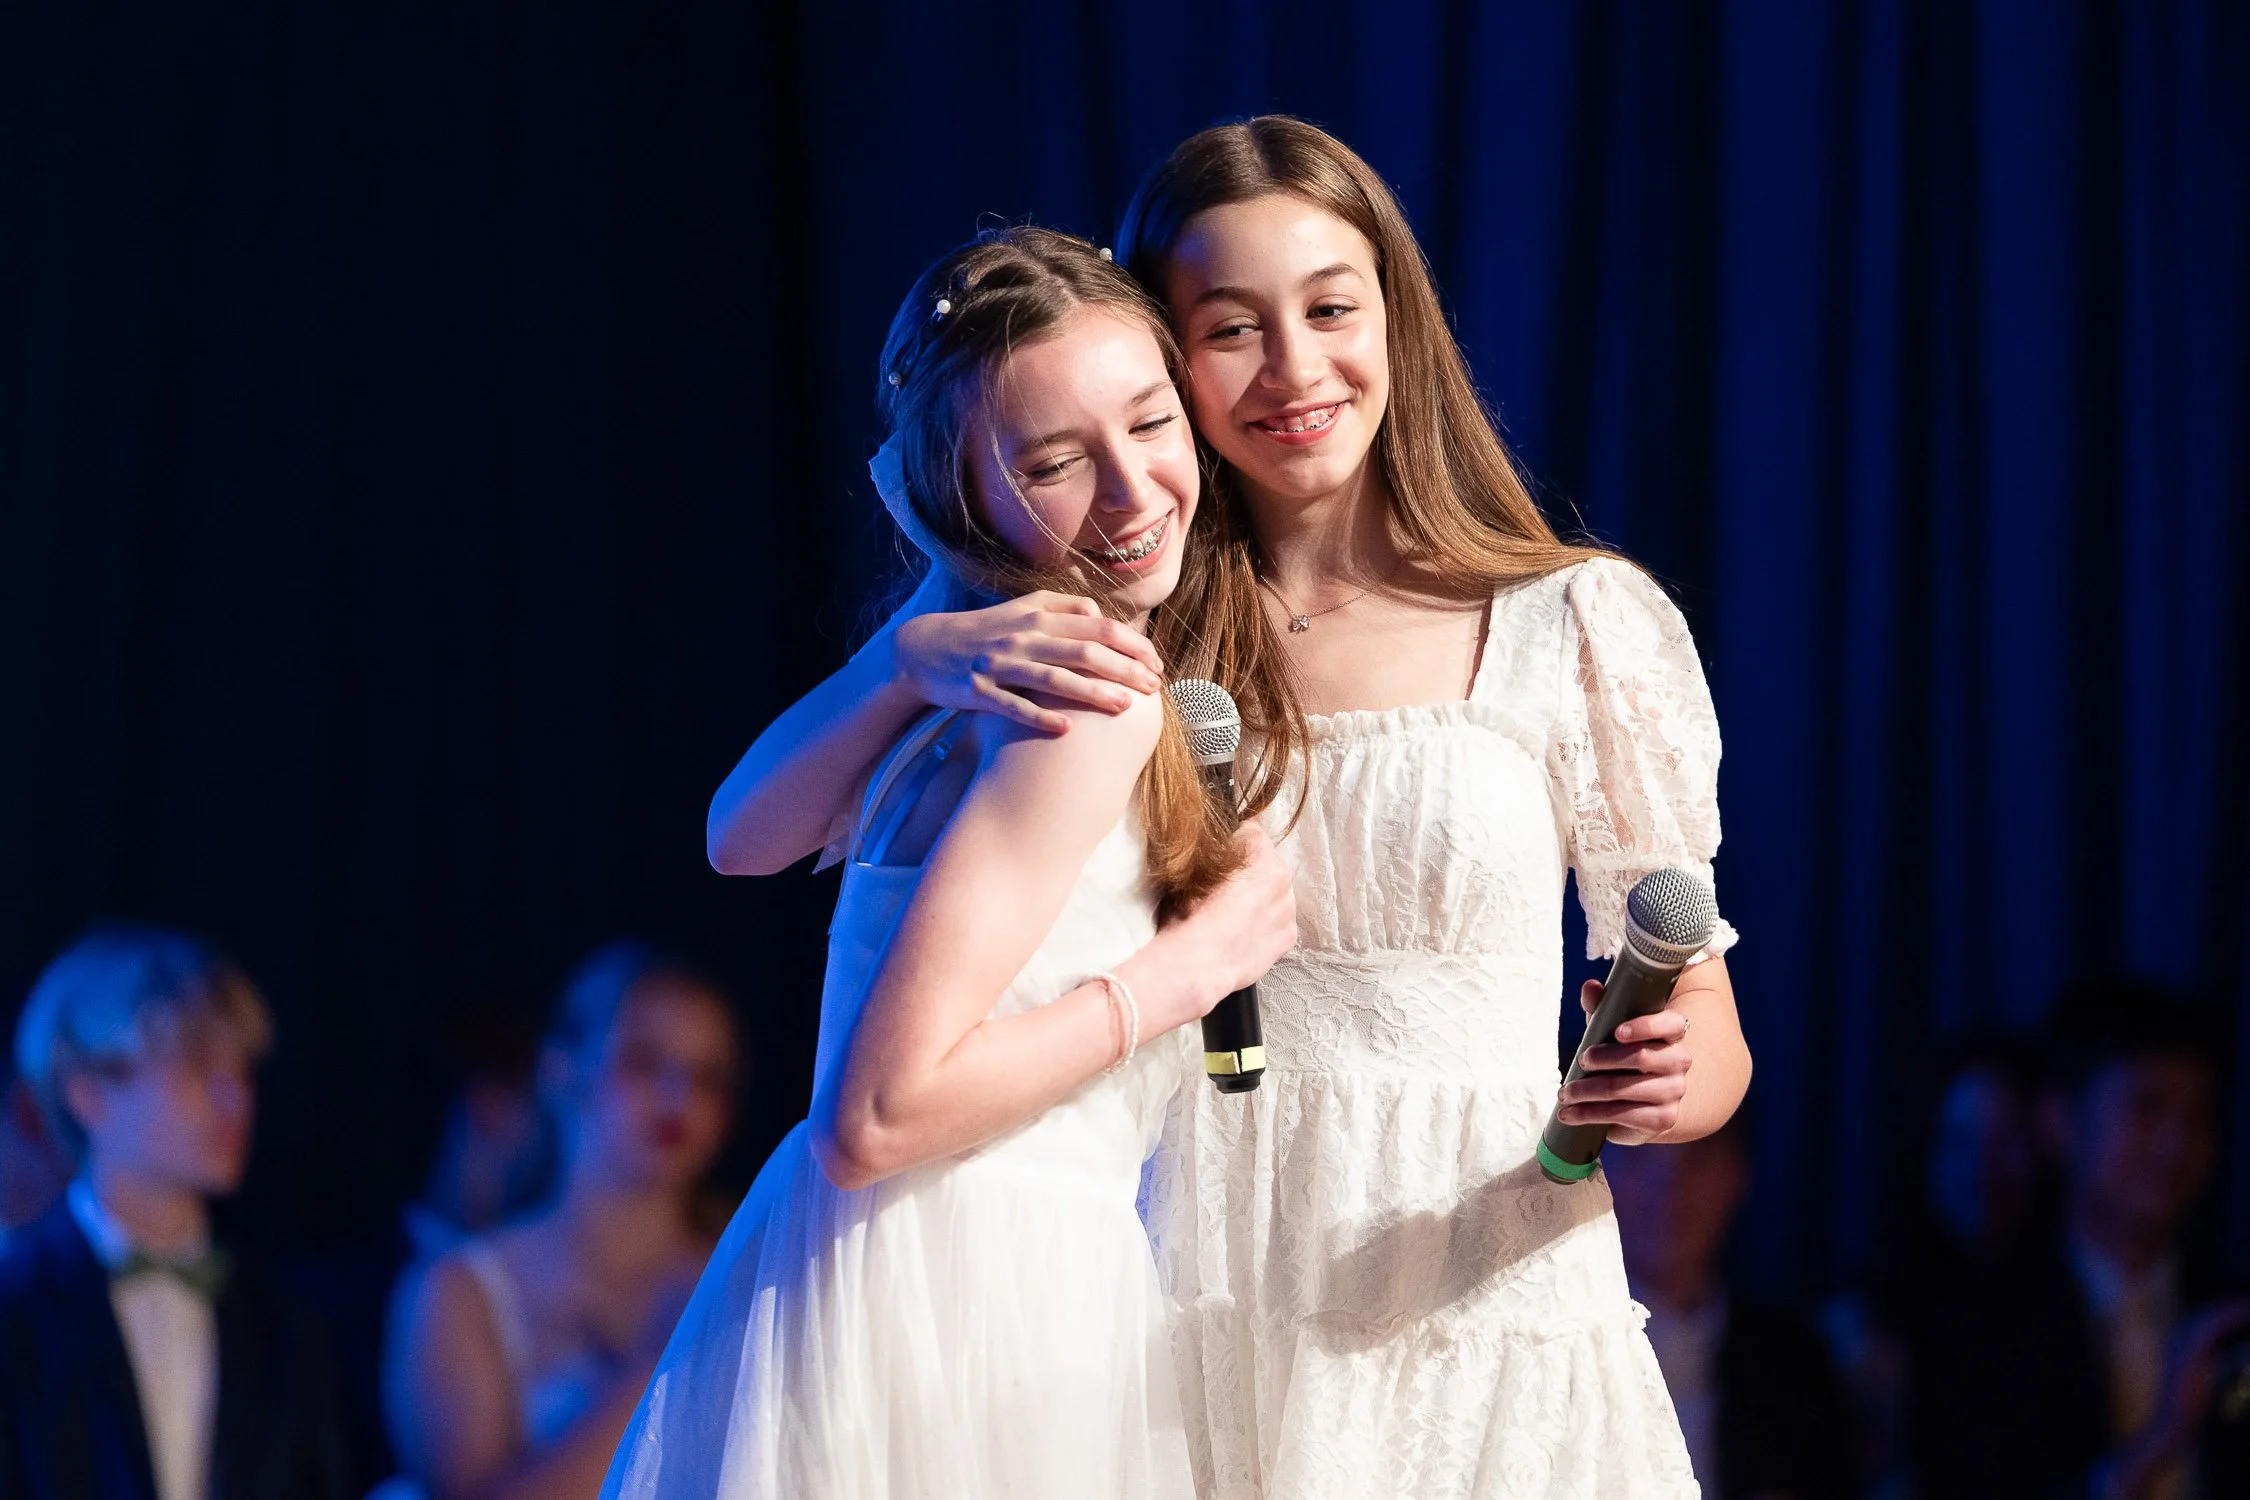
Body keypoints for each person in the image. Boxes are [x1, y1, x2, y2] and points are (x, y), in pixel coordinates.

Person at [703, 118, 1751, 1496]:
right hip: (1199, 1288)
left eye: (1329, 308)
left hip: (1495, 1295)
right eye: (1231, 328)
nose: (1295, 368)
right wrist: (906, 652)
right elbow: (749, 834)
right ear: (1165, 355)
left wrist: (1675, 1084)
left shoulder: (1576, 622)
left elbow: (1706, 1036)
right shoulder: (1125, 625)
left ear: (1397, 316)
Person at [610, 226, 1297, 1499]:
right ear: (961, 494)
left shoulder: (985, 673)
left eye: (1151, 423)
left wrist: (909, 651)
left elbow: (738, 838)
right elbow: (872, 1117)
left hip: (875, 1274)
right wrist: (1182, 974)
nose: (1136, 492)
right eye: (1054, 462)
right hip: (987, 1281)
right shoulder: (1080, 698)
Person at [0, 924, 347, 1500]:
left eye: (241, 1073)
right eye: (196, 1069)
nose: (234, 1100)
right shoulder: (16, 1306)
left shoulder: (285, 1325)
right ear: (88, 1092)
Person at [382, 945, 739, 1500]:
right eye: (644, 1061)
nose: (679, 1098)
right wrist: (657, 1365)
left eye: (707, 1077)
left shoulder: (749, 1276)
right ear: (563, 1068)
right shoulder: (461, 1291)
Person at [1606, 1114, 1855, 1499]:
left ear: (1738, 1175)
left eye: (1699, 1156)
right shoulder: (1539, 1351)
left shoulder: (1793, 1366)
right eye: (1639, 1153)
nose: (1669, 1184)